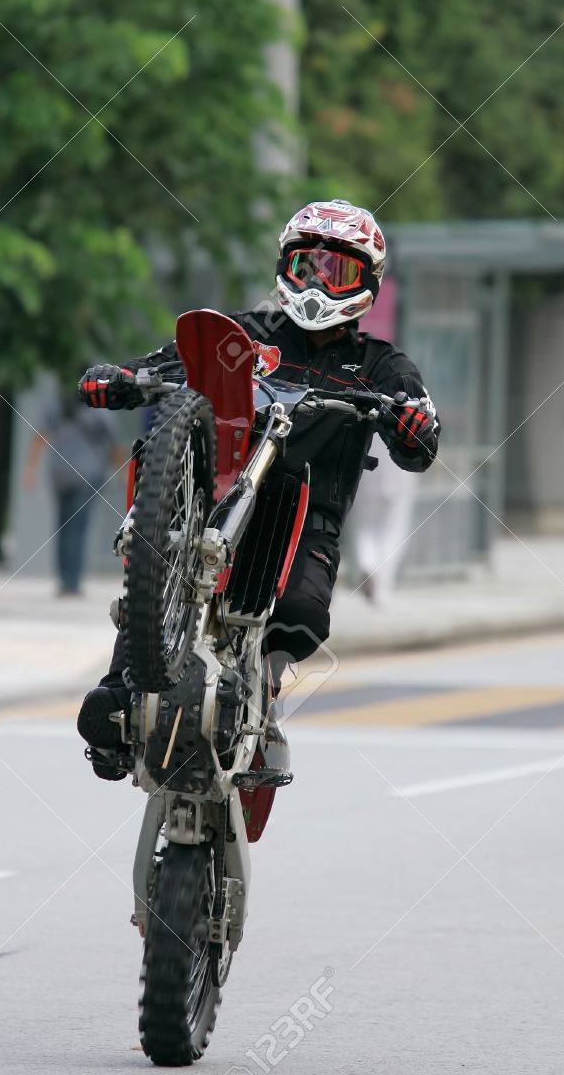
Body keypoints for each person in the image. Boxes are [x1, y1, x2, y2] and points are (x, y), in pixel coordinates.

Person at [75, 199, 440, 777]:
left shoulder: (380, 364)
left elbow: (418, 438)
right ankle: (120, 693)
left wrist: (416, 424)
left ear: (366, 282)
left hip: (307, 514)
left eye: (336, 270)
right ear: (284, 268)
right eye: (305, 266)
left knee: (299, 613)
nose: (318, 281)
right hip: (219, 496)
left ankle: (261, 697)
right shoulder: (245, 333)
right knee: (167, 552)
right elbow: (170, 363)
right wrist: (120, 377)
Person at [23, 390, 118, 597]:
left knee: (63, 527)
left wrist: (30, 469)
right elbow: (113, 441)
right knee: (78, 528)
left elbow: (40, 436)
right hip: (88, 472)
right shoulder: (98, 408)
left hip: (60, 472)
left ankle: (65, 579)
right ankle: (72, 581)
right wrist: (123, 471)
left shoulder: (56, 402)